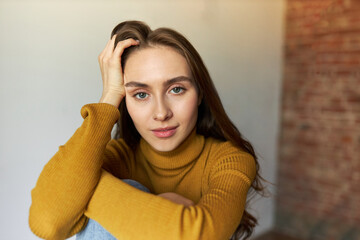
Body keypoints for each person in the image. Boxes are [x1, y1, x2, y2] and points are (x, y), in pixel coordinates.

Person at [29, 20, 267, 240]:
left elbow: (199, 234)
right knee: (131, 190)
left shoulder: (230, 160)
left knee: (108, 190)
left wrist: (84, 187)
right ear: (125, 101)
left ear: (200, 94)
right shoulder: (120, 156)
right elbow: (47, 223)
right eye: (141, 94)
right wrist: (109, 97)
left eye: (176, 89)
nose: (161, 113)